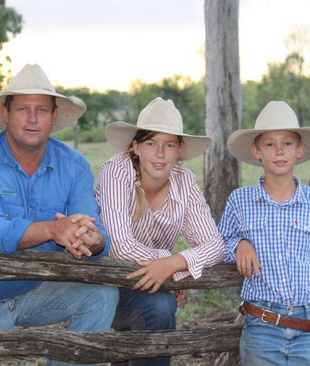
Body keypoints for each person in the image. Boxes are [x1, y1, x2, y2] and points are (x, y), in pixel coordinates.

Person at [0, 64, 119, 366]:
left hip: (34, 288)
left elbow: (92, 228)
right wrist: (52, 230)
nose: (33, 119)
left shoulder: (73, 165)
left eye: (42, 110)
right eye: (23, 109)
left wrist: (92, 240)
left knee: (101, 294)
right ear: (6, 115)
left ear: (54, 117)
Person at [219, 101, 310, 365]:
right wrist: (239, 244)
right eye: (270, 144)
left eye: (288, 143)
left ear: (299, 150)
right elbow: (218, 244)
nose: (279, 151)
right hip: (261, 325)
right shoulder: (240, 201)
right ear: (256, 151)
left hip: (308, 327)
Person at [96, 97, 225, 366]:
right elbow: (119, 246)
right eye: (151, 143)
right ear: (135, 147)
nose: (160, 154)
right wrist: (167, 264)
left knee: (158, 307)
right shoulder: (117, 172)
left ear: (180, 149)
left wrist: (172, 265)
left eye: (169, 145)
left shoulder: (184, 180)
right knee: (160, 307)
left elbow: (214, 245)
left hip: (152, 285)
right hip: (105, 283)